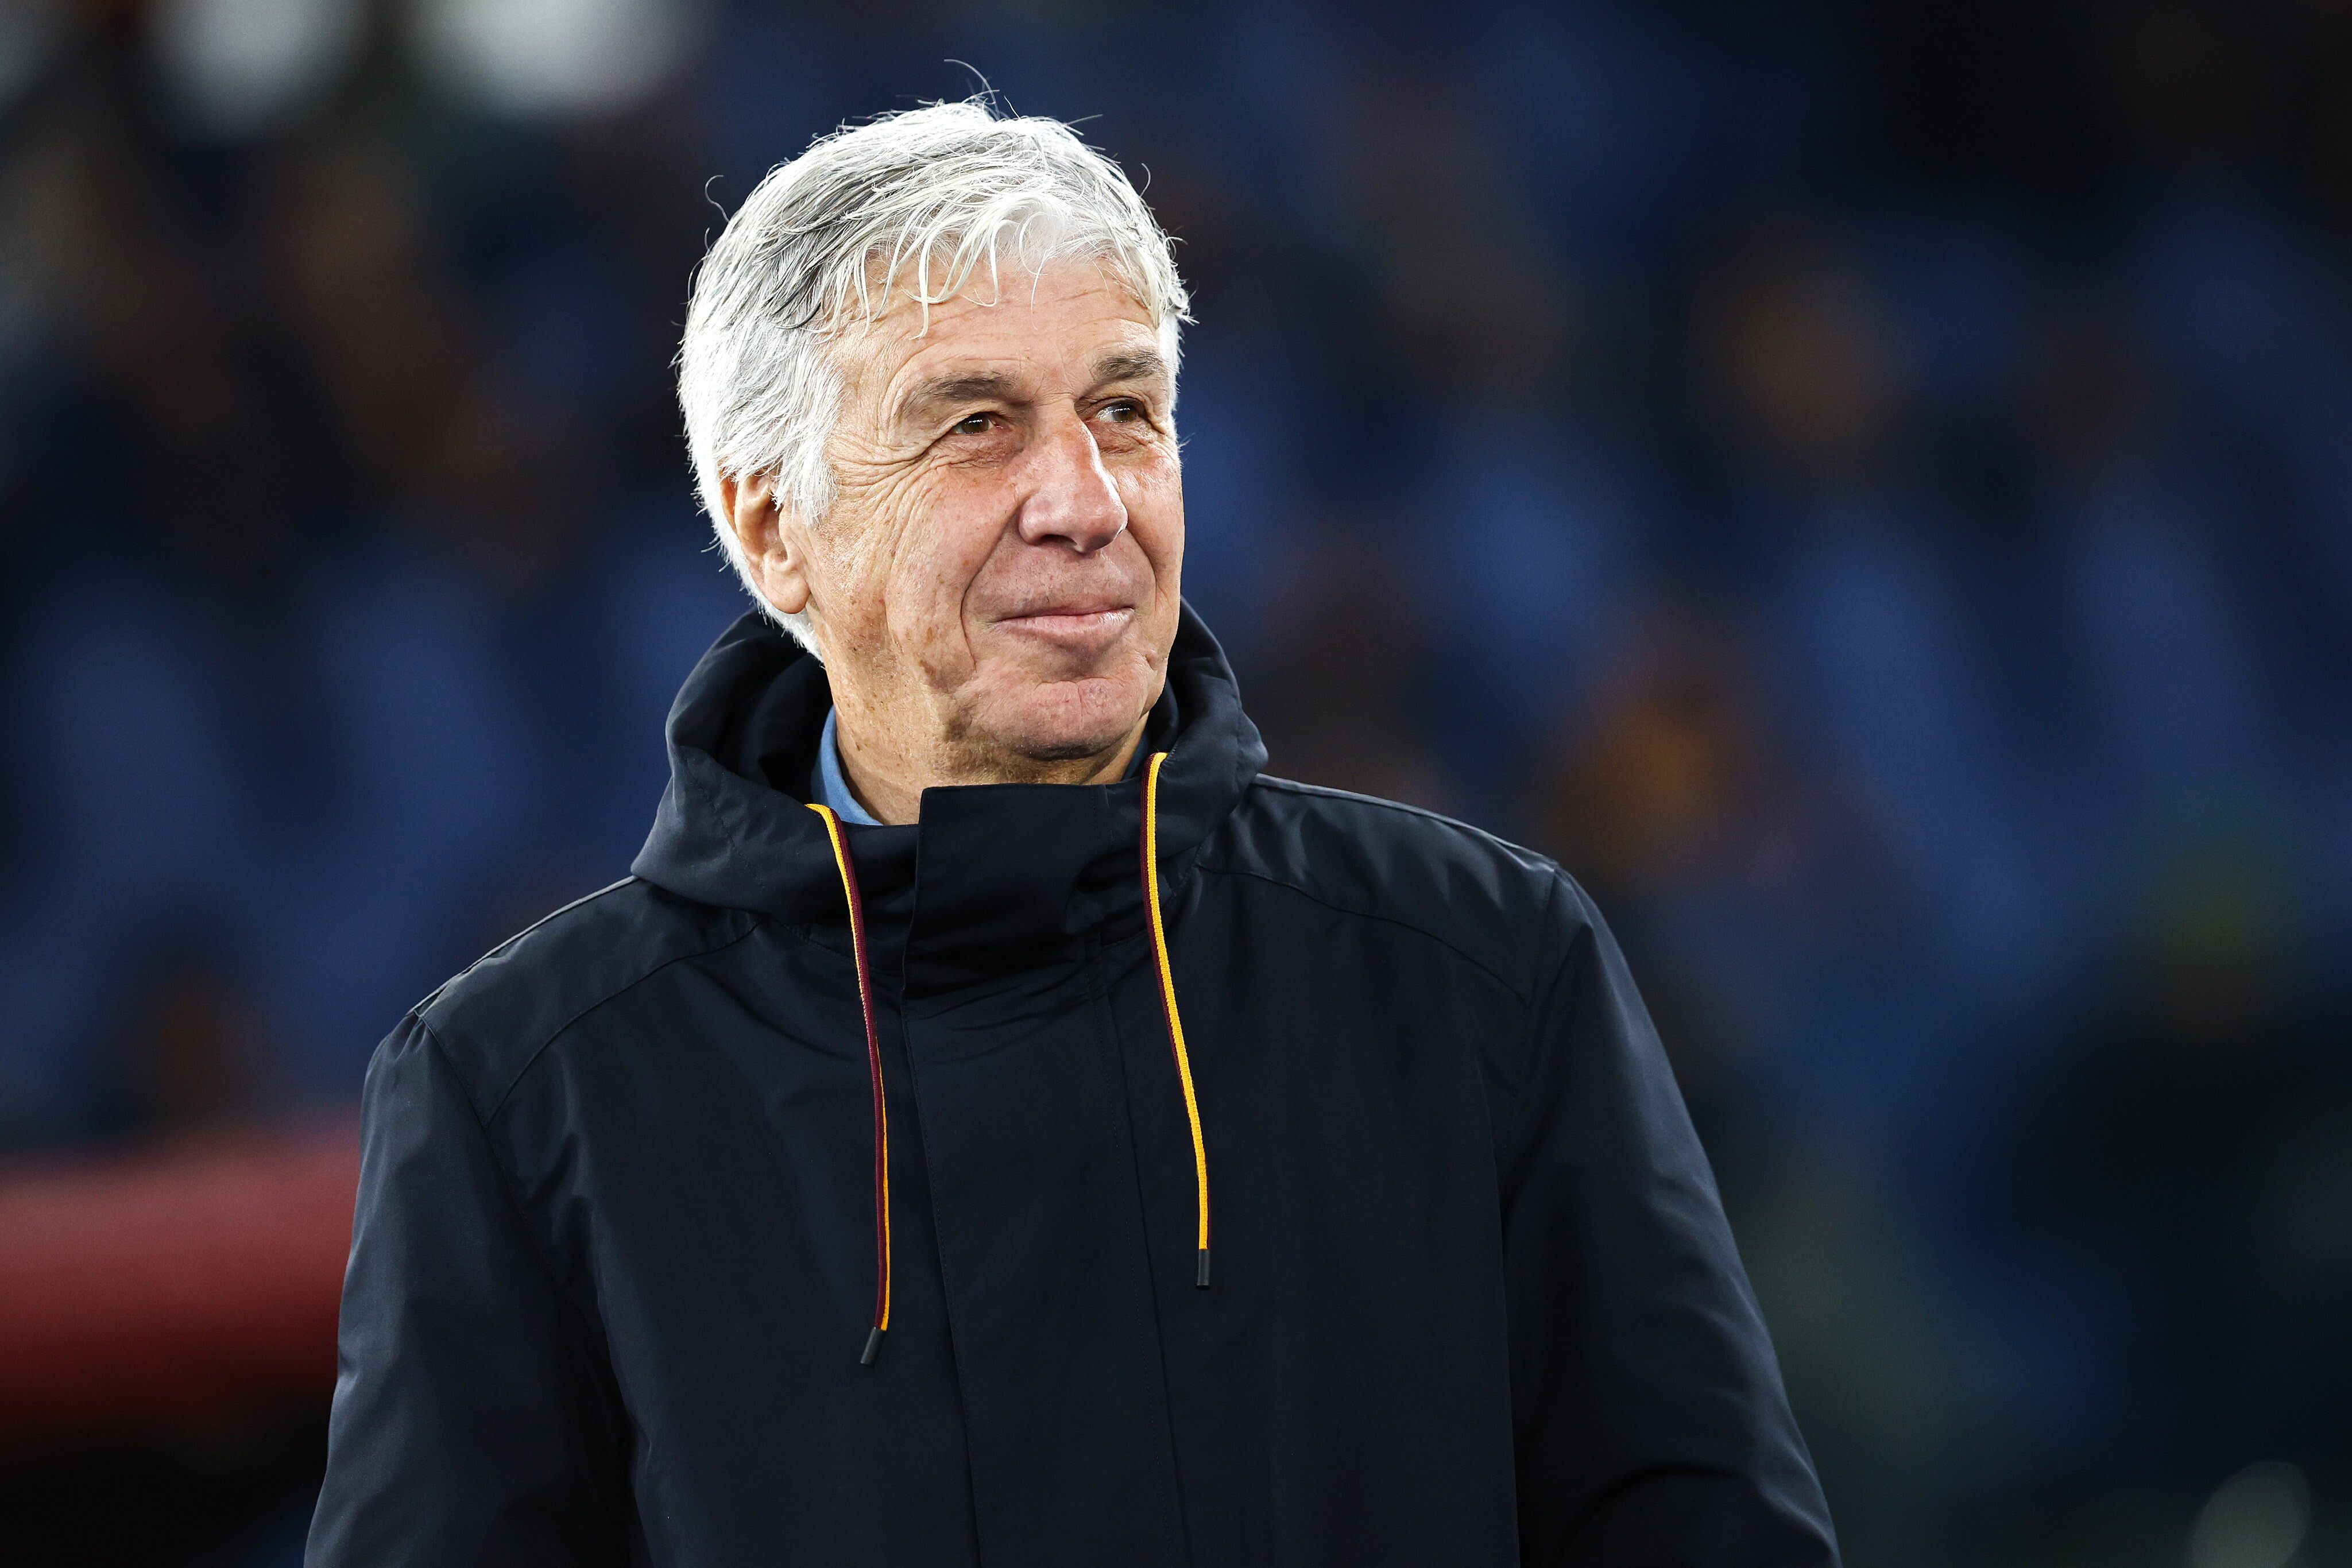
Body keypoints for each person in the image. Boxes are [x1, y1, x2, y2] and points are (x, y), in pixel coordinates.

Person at [307, 100, 1839, 1567]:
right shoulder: (521, 1094)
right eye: (977, 425)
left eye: (1125, 411)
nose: (1085, 502)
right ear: (772, 527)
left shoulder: (1486, 964)